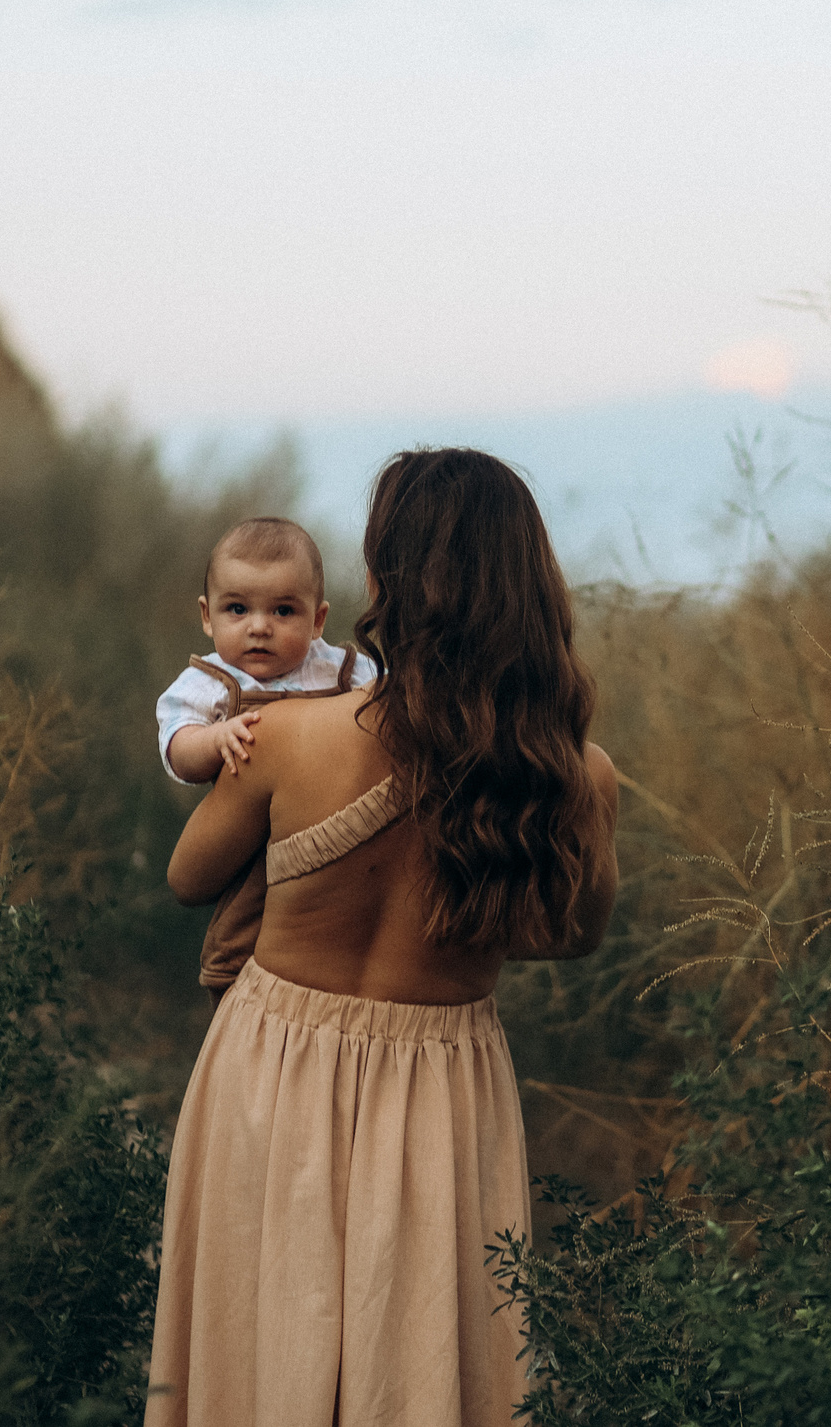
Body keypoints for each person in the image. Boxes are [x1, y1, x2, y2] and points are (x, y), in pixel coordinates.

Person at [146, 450, 621, 1427]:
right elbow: (572, 937)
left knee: (255, 1360)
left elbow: (188, 880)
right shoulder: (574, 775)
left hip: (269, 1065)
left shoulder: (286, 736)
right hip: (440, 1086)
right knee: (418, 1371)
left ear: (384, 583)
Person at [154, 516, 379, 997]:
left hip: (333, 828)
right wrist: (214, 740)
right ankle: (233, 1005)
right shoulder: (211, 683)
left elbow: (388, 703)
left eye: (283, 611)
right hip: (253, 838)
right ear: (207, 615)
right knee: (238, 934)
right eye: (237, 609)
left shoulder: (340, 669)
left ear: (317, 620)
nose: (259, 628)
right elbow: (177, 747)